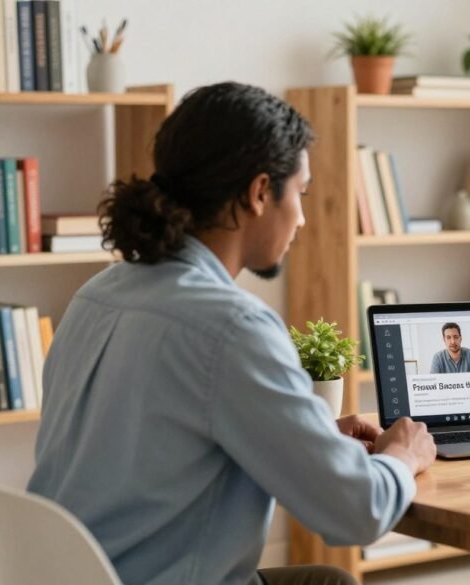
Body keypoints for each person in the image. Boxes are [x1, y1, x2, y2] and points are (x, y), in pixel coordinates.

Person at [27, 82, 436, 585]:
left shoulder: (97, 294)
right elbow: (358, 512)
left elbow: (150, 443)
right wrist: (404, 455)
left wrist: (307, 438)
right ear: (259, 193)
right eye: (300, 194)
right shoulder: (232, 327)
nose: (303, 218)